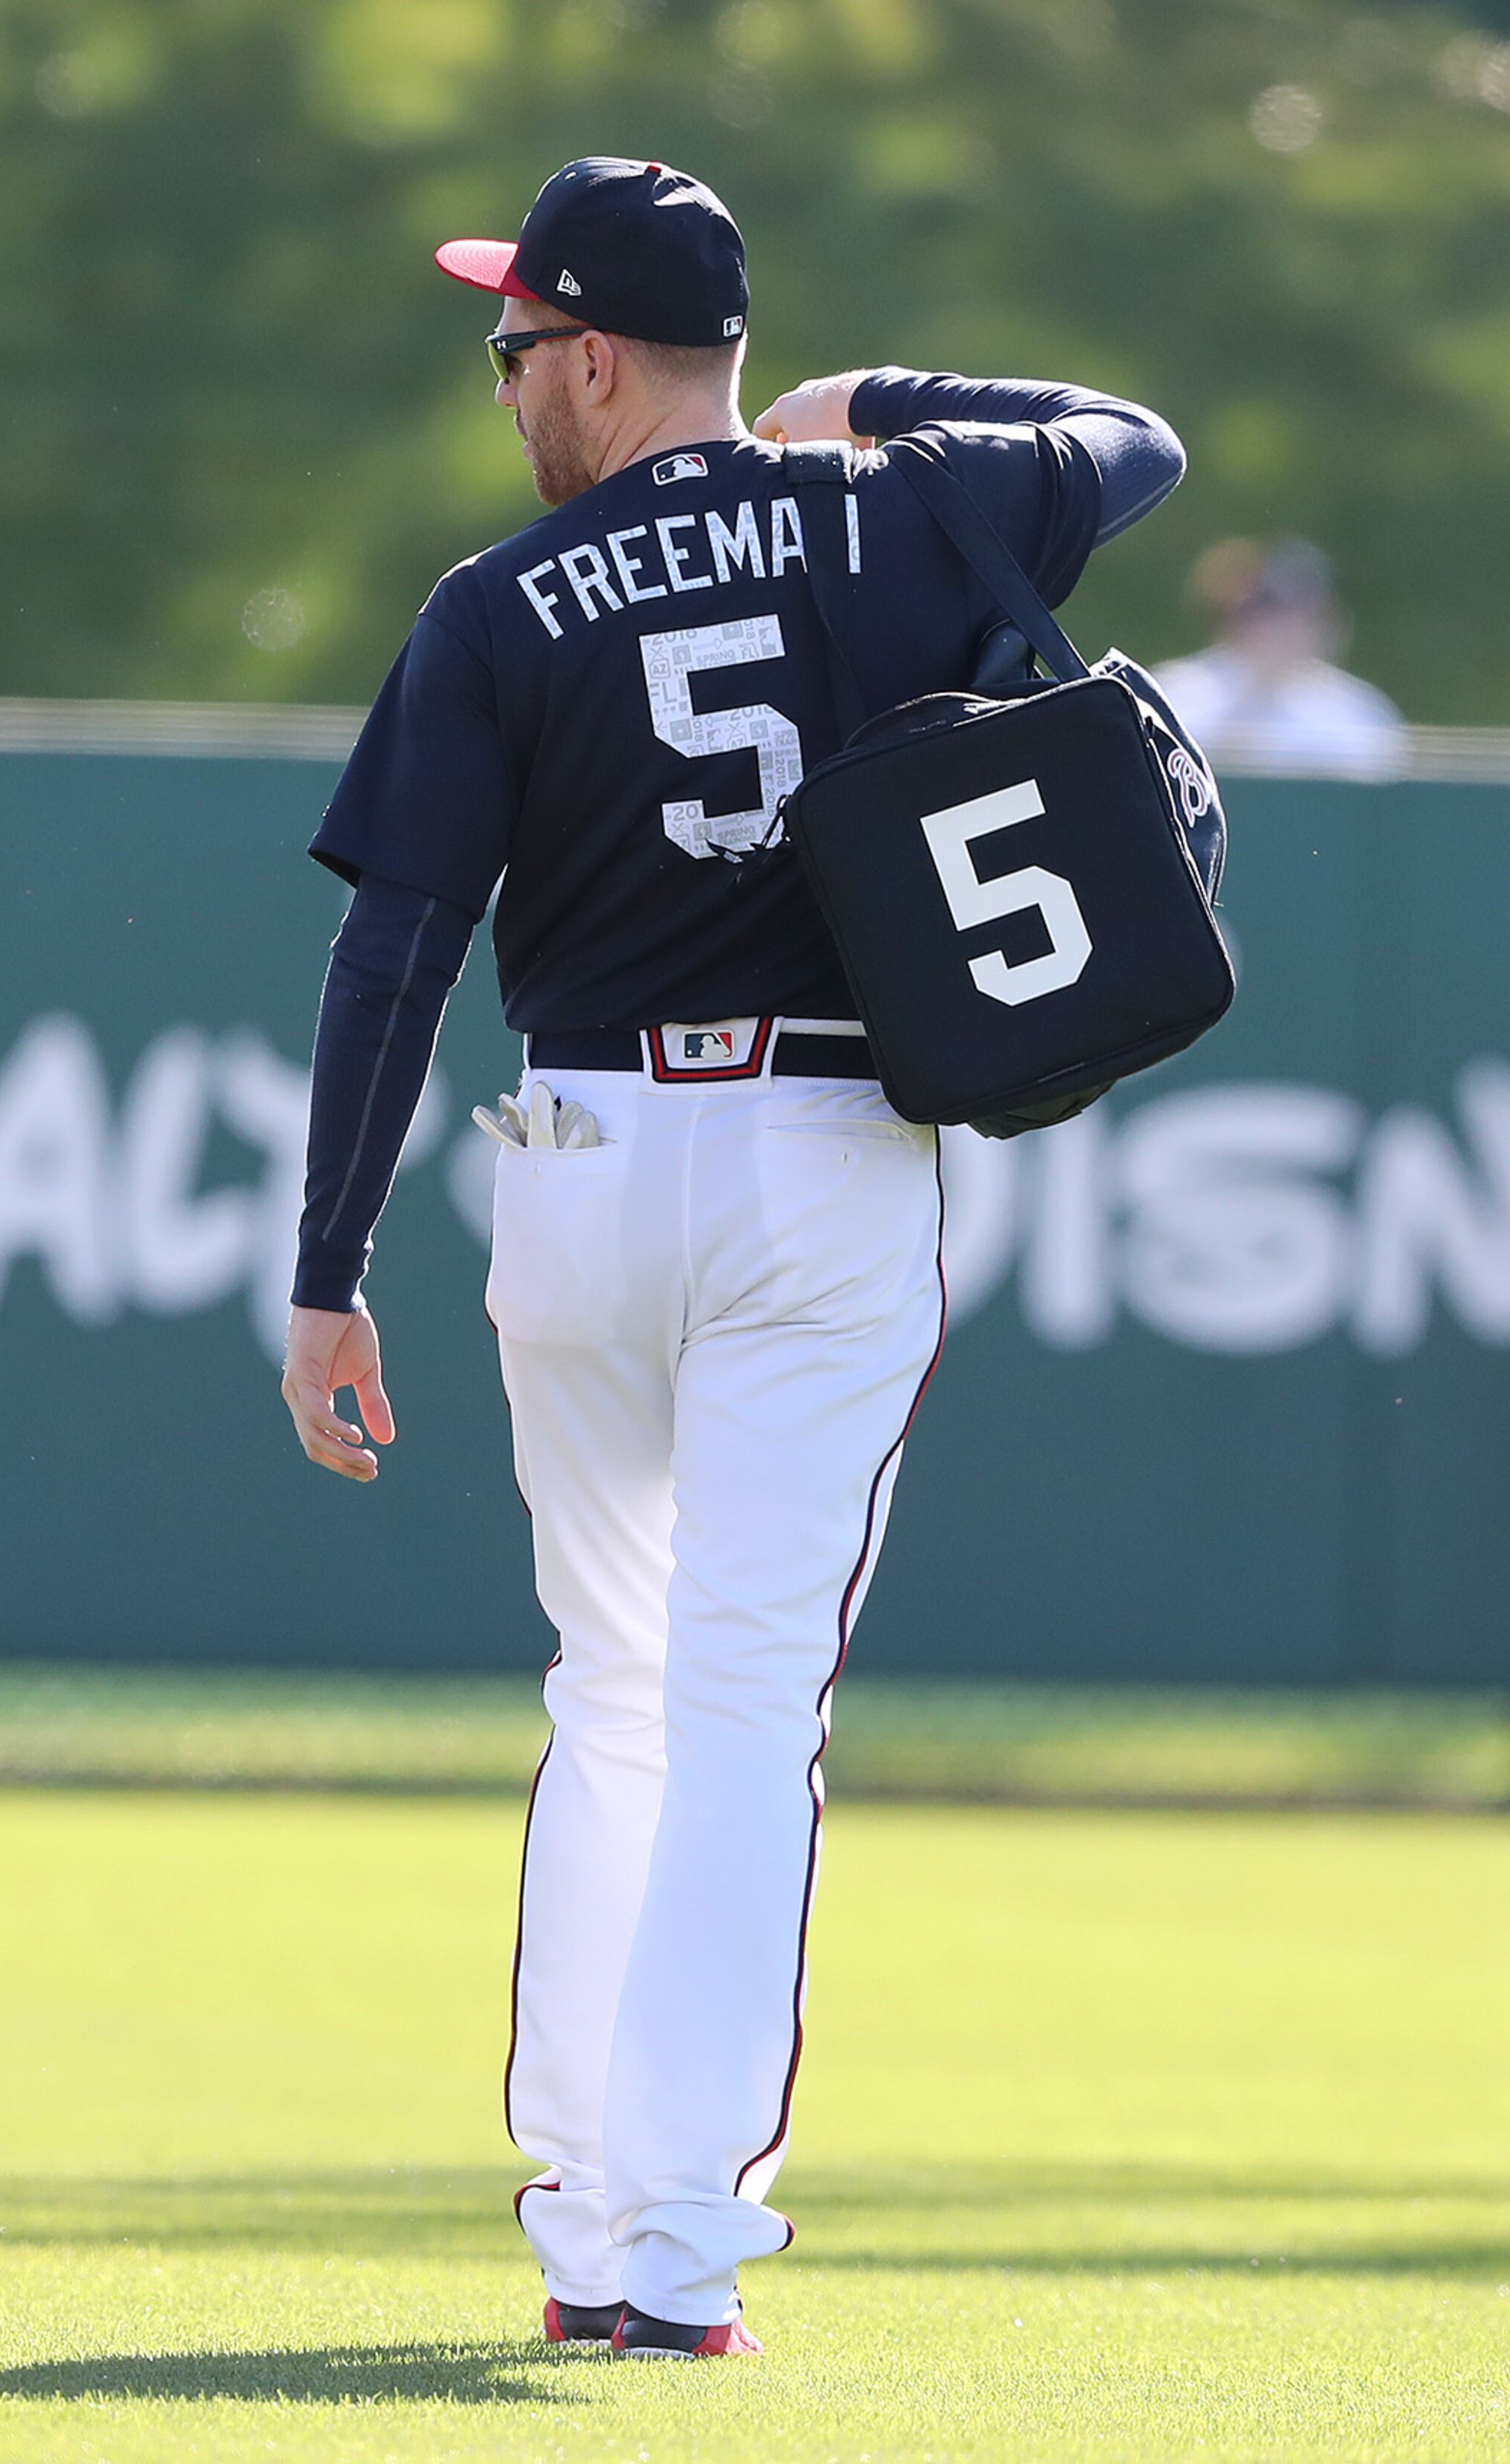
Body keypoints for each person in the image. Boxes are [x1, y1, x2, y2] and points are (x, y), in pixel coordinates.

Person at [276, 158, 1184, 2357]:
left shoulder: (499, 598)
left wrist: (322, 1260)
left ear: (593, 356)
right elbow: (1140, 445)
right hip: (822, 1142)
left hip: (580, 1150)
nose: (499, 383)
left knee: (608, 1682)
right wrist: (876, 400)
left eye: (512, 347)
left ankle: (586, 2206)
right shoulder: (912, 506)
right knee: (741, 1697)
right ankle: (669, 2245)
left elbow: (399, 943)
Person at [1152, 536, 1405, 780]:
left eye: (1296, 613)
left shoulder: (1357, 716)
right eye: (1263, 609)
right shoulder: (1172, 697)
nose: (1278, 628)